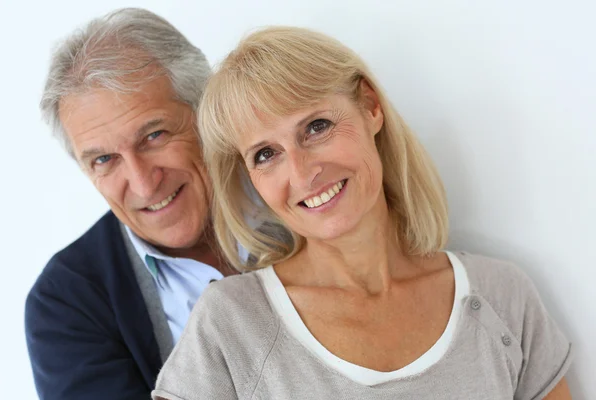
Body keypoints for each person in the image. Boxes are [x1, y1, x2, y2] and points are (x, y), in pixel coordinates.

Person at [153, 26, 573, 399]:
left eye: (316, 127)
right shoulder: (231, 323)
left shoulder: (502, 296)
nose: (302, 173)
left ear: (370, 105)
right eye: (266, 154)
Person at [25, 8, 237, 400]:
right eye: (104, 160)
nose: (142, 183)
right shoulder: (67, 303)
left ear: (204, 110)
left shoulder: (303, 196)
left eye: (154, 135)